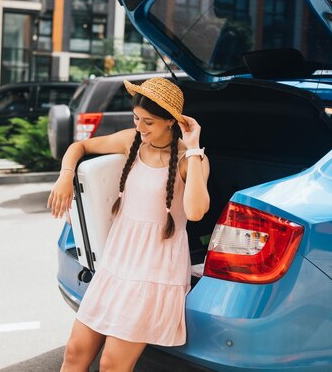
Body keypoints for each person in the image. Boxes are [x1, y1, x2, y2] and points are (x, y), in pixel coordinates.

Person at [48, 77, 210, 372]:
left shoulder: (191, 159)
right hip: (116, 265)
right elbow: (79, 146)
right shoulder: (131, 141)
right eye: (136, 118)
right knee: (74, 352)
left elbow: (196, 212)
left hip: (153, 272)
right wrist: (65, 176)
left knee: (112, 364)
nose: (140, 127)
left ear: (169, 122)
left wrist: (195, 146)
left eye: (148, 121)